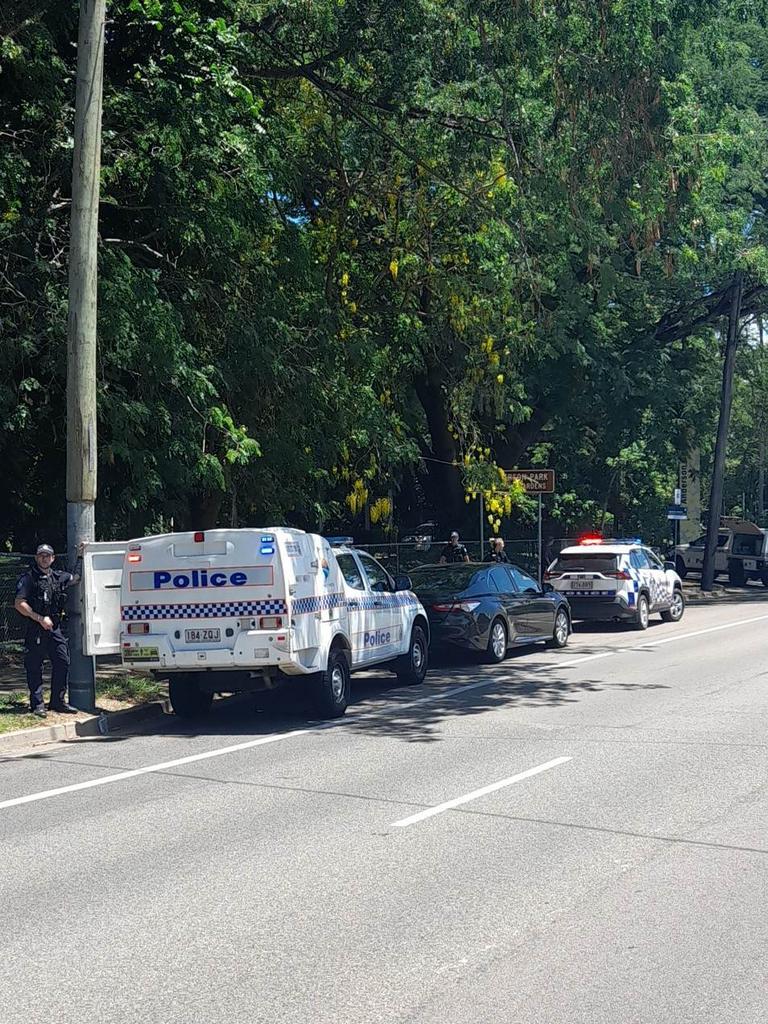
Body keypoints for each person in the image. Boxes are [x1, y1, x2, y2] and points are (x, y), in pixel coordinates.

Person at [14, 543, 84, 717]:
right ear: (37, 558)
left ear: (53, 558)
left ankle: (58, 702)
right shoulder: (29, 578)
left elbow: (76, 578)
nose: (44, 558)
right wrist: (39, 618)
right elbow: (19, 604)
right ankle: (37, 705)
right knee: (34, 666)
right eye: (41, 555)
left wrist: (81, 556)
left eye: (47, 555)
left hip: (54, 628)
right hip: (36, 628)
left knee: (63, 661)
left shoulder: (58, 577)